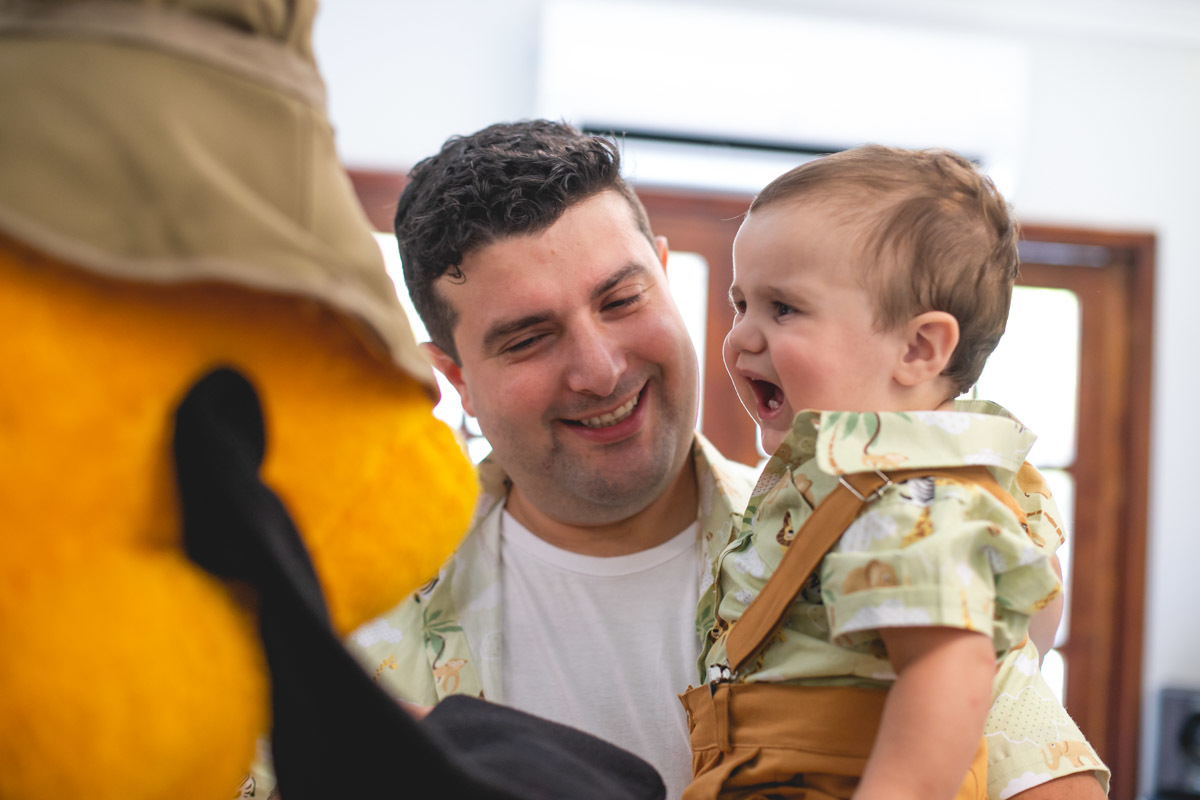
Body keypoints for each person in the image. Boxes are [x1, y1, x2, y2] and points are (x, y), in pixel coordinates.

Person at [331, 122, 1105, 800]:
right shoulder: (345, 617)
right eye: (529, 338)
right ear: (457, 376)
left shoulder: (863, 528)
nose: (599, 370)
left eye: (622, 299)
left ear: (665, 276)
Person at [685, 145, 1107, 800]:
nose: (740, 335)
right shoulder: (885, 486)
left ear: (917, 348)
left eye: (783, 308)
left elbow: (948, 681)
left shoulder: (911, 499)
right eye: (741, 303)